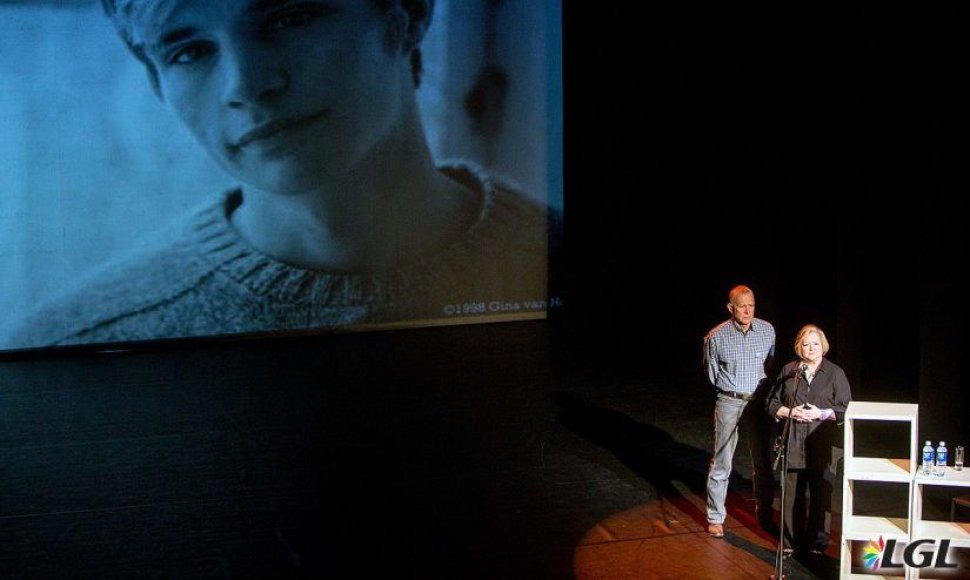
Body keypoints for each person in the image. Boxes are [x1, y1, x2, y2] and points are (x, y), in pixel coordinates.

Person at [5, 0, 557, 349]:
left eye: (289, 17)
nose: (245, 86)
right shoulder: (77, 343)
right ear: (156, 83)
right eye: (189, 51)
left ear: (406, 14)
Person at [766, 324, 851, 557]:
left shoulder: (835, 373)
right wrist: (789, 412)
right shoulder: (789, 370)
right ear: (799, 347)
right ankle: (791, 542)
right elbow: (771, 404)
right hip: (793, 440)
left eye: (815, 343)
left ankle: (817, 543)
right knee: (792, 494)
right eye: (806, 344)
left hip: (824, 442)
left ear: (822, 346)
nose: (811, 348)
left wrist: (820, 413)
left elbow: (846, 409)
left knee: (820, 495)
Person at [703, 285, 777, 539]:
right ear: (730, 308)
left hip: (757, 402)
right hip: (729, 400)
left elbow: (769, 363)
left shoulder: (767, 330)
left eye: (751, 305)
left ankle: (765, 514)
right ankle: (715, 517)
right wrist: (731, 391)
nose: (747, 310)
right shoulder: (716, 337)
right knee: (722, 460)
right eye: (742, 305)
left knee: (762, 460)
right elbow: (712, 373)